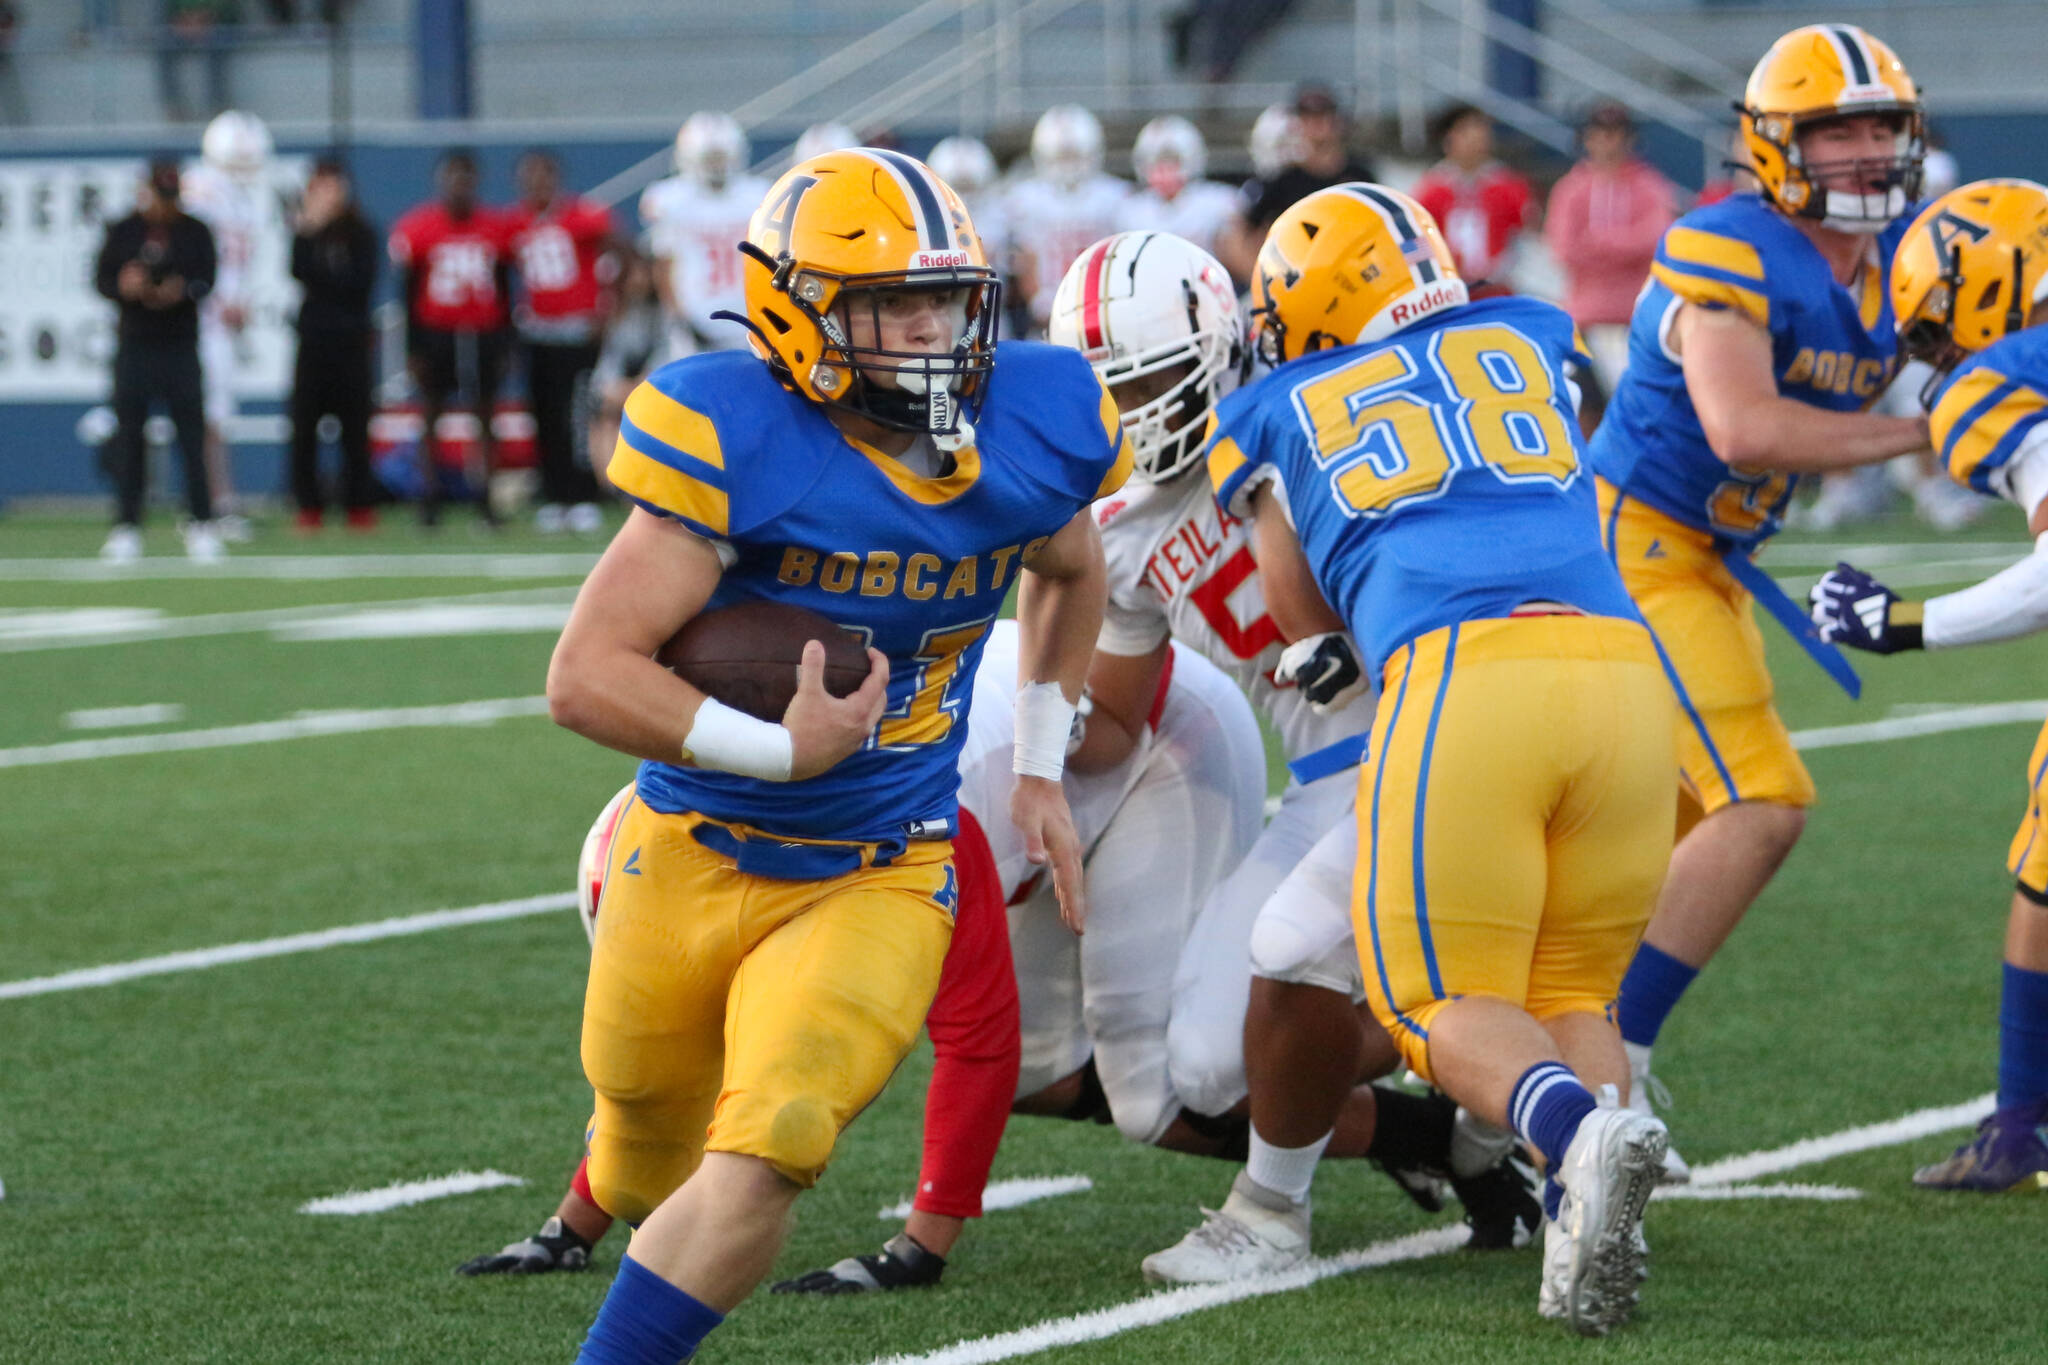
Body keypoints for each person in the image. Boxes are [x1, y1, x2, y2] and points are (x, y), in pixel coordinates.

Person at [545, 147, 1127, 1364]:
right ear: (796, 311)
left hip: (882, 862)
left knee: (770, 1153)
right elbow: (585, 673)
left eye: (945, 301)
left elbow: (1073, 573)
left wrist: (1036, 759)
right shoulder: (735, 430)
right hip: (690, 845)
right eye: (886, 305)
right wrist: (775, 747)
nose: (927, 331)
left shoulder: (1027, 426)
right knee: (646, 1147)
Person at [1213, 182, 1677, 1334]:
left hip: (1466, 673)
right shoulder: (1524, 329)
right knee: (1568, 986)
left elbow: (1298, 612)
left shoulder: (1273, 400)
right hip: (1624, 670)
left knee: (1431, 1002)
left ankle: (1576, 1138)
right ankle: (1591, 1212)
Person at [463, 620, 1261, 1286]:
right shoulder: (706, 824)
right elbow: (677, 1052)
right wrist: (574, 1223)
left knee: (1156, 1091)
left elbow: (977, 1034)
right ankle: (1313, 1094)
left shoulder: (900, 821)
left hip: (1157, 743)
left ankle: (1323, 1112)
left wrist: (919, 1247)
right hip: (1012, 779)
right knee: (1044, 1079)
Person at [1049, 231, 1538, 1282]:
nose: (1138, 417)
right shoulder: (1120, 528)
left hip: (1446, 726)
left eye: (1157, 382)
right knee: (1206, 1067)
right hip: (1330, 785)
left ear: (1222, 348)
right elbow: (1114, 724)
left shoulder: (1319, 415)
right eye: (1112, 393)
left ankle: (1311, 1181)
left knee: (1289, 1014)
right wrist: (1005, 742)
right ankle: (1476, 1074)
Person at [1587, 25, 1936, 1180]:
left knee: (1667, 844)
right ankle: (1607, 1079)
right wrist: (1932, 428)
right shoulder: (1722, 240)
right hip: (1635, 545)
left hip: (1710, 560)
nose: (1864, 150)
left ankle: (1546, 1060)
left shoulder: (1898, 266)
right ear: (1773, 145)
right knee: (1761, 803)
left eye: (1880, 124)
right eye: (1835, 128)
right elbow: (1741, 427)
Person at [1809, 179, 2048, 1193]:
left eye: (1937, 330)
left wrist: (1906, 626)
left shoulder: (2002, 382)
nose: (1938, 358)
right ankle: (2015, 1125)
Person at [94, 158, 220, 563]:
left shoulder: (195, 231)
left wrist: (181, 290)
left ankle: (201, 523)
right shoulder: (124, 230)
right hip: (136, 343)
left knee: (191, 437)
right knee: (130, 438)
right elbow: (101, 280)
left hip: (180, 344)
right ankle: (126, 526)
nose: (165, 205)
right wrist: (125, 286)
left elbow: (206, 278)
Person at [389, 149, 512, 527]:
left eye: (466, 177)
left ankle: (485, 499)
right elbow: (407, 293)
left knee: (486, 417)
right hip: (436, 332)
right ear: (440, 181)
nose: (459, 186)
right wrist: (413, 347)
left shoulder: (495, 227)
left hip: (483, 330)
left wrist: (507, 342)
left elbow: (506, 289)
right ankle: (429, 499)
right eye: (453, 177)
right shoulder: (418, 227)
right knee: (430, 415)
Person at [505, 148, 617, 534]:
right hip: (536, 331)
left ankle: (582, 495)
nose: (536, 182)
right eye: (529, 174)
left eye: (543, 174)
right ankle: (554, 495)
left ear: (557, 178)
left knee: (576, 417)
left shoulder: (583, 216)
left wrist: (607, 310)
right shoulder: (515, 222)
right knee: (544, 417)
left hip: (577, 330)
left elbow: (620, 253)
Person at [184, 109, 274, 541]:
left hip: (220, 323)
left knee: (216, 416)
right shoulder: (198, 192)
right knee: (204, 416)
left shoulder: (243, 199)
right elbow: (193, 258)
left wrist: (240, 303)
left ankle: (217, 502)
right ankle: (208, 505)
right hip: (195, 322)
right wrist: (220, 300)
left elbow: (238, 268)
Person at [1543, 103, 1677, 387]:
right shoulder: (1571, 190)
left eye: (1615, 134)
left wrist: (1599, 242)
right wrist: (1625, 247)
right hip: (1585, 319)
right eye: (1600, 134)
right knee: (1584, 410)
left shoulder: (1651, 186)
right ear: (1587, 139)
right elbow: (1563, 249)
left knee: (1637, 404)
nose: (1608, 142)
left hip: (1636, 318)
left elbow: (1657, 239)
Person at [287, 155, 380, 531]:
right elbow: (298, 273)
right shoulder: (305, 233)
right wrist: (309, 230)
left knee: (355, 427)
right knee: (305, 427)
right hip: (313, 342)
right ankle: (308, 506)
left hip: (351, 342)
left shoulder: (361, 232)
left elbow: (359, 284)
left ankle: (358, 504)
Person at [1218, 84, 1376, 288]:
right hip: (1305, 283)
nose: (1317, 125)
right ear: (1299, 124)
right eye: (1308, 118)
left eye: (1322, 116)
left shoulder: (1361, 174)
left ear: (1337, 121)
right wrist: (1261, 282)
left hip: (1357, 276)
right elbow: (1238, 233)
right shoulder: (1284, 181)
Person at [640, 111, 768, 355]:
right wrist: (677, 315)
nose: (716, 167)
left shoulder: (758, 195)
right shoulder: (670, 199)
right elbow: (664, 265)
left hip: (749, 314)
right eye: (709, 159)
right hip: (695, 316)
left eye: (720, 158)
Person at [1001, 105, 1129, 334]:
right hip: (1046, 310)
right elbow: (1025, 258)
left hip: (1102, 306)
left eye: (1074, 157)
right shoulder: (1025, 198)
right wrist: (1037, 299)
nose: (1068, 165)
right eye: (1061, 157)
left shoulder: (1115, 196)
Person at [1410, 104, 1538, 286]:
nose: (1476, 137)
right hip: (1448, 288)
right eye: (1465, 131)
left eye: (1481, 130)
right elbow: (1414, 239)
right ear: (1448, 139)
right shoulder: (1430, 190)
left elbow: (1525, 233)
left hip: (1498, 287)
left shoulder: (1508, 185)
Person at [1115, 117, 1241, 259]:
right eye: (1156, 160)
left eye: (1171, 160)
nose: (1164, 169)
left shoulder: (1218, 202)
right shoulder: (1130, 210)